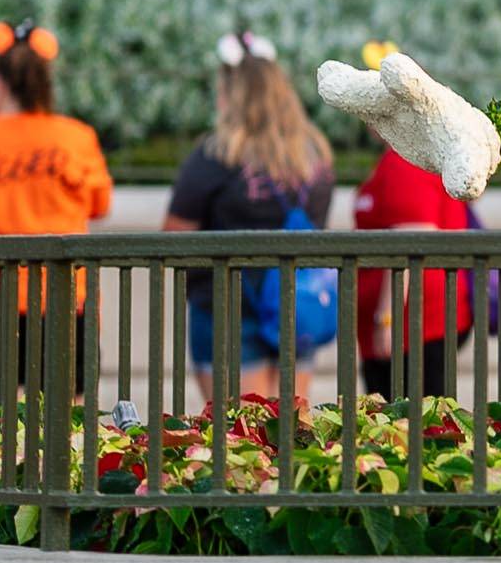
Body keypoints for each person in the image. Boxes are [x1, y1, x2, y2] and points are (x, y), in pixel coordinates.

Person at [164, 31, 335, 405]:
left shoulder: (216, 155)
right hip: (297, 306)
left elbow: (174, 237)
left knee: (239, 439)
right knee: (289, 434)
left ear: (229, 92)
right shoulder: (315, 155)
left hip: (227, 310)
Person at [349, 42, 471, 400]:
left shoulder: (406, 163)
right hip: (416, 323)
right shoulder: (409, 157)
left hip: (414, 326)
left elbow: (411, 244)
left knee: (409, 430)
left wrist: (387, 321)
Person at [0, 20, 111, 393]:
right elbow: (99, 204)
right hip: (65, 295)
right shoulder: (76, 137)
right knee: (70, 419)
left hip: (4, 297)